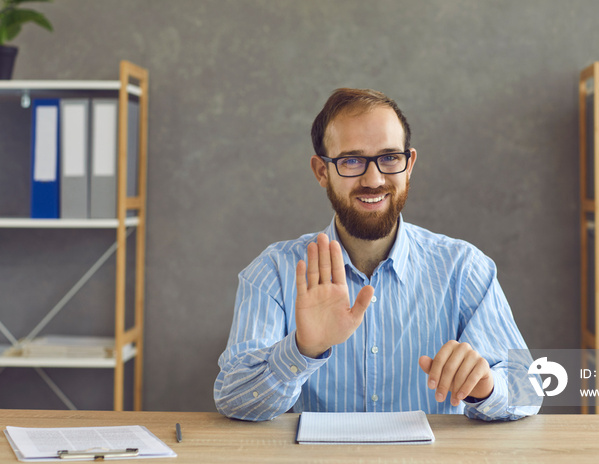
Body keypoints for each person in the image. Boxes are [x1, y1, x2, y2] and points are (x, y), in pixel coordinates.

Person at [214, 88, 540, 422]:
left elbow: (529, 389)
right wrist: (301, 350)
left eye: (389, 158)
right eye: (351, 161)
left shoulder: (465, 268)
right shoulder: (273, 271)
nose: (374, 179)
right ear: (322, 172)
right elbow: (234, 399)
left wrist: (485, 388)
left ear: (409, 164)